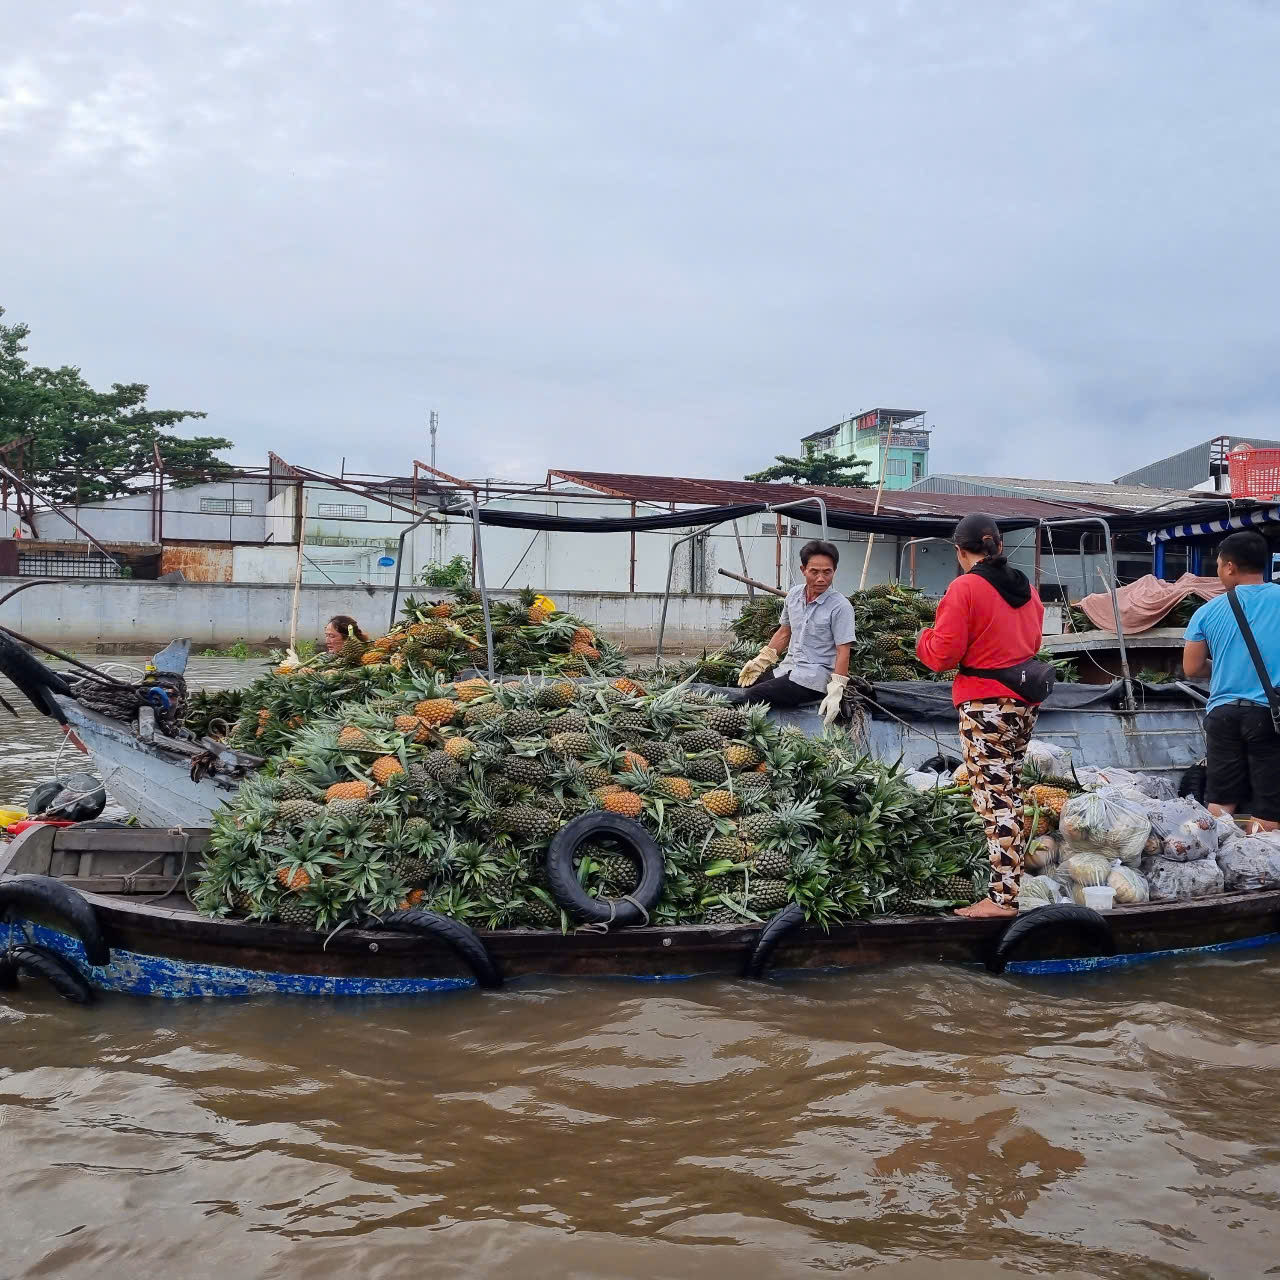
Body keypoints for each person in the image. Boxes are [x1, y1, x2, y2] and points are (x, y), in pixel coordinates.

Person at [916, 514, 1046, 918]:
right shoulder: (1028, 589)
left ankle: (1002, 900)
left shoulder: (965, 588)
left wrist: (922, 639)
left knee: (995, 799)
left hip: (986, 704)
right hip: (1024, 702)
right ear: (1000, 546)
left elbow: (942, 656)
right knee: (1010, 790)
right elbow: (1034, 640)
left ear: (959, 550)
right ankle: (1013, 883)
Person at [1182, 530, 1280, 833]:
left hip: (1222, 714)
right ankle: (1258, 870)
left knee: (1220, 801)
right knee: (1268, 805)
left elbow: (1192, 667)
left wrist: (1225, 665)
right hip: (1269, 716)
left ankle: (1217, 855)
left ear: (1230, 567)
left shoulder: (1207, 611)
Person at [734, 540, 854, 725]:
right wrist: (761, 661)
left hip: (814, 678)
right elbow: (784, 632)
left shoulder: (840, 606)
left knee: (754, 695)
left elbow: (843, 651)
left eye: (827, 572)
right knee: (744, 686)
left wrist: (837, 688)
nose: (821, 578)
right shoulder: (794, 596)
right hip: (789, 668)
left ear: (834, 571)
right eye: (814, 571)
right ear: (803, 569)